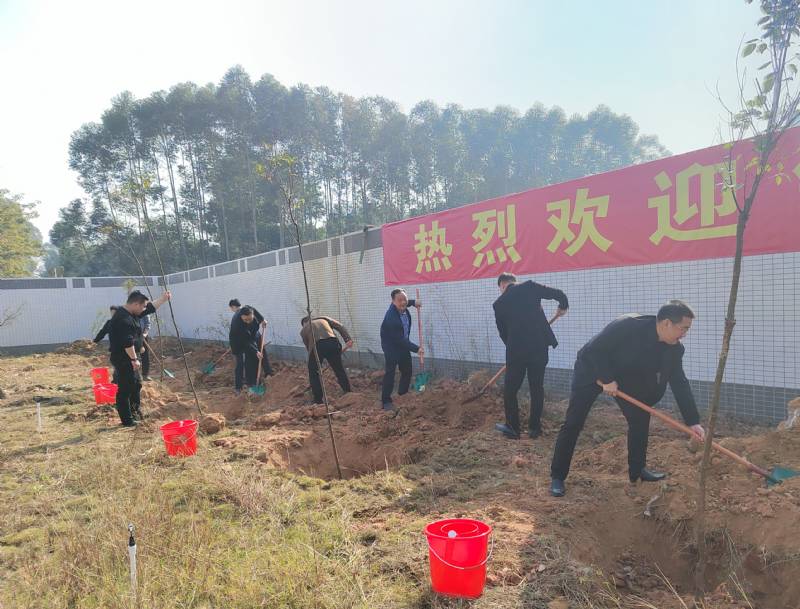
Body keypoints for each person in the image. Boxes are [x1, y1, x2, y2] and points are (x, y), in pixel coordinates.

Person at [549, 301, 707, 497]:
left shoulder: (673, 349)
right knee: (573, 422)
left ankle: (637, 471)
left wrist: (693, 421)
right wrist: (607, 379)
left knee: (640, 419)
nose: (685, 334)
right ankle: (558, 476)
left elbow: (679, 382)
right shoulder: (628, 325)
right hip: (592, 371)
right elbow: (594, 350)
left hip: (626, 379)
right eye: (683, 328)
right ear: (667, 323)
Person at [493, 273, 569, 440]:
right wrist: (562, 307)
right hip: (539, 349)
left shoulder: (498, 304)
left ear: (502, 285)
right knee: (536, 388)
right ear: (514, 282)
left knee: (510, 390)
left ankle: (513, 428)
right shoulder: (530, 286)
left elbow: (503, 333)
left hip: (516, 353)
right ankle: (534, 429)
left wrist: (514, 347)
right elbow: (559, 294)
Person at [107, 290, 171, 427]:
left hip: (129, 357)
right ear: (136, 304)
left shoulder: (131, 313)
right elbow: (127, 342)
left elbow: (149, 308)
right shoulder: (123, 319)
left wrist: (163, 299)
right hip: (124, 359)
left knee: (136, 384)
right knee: (125, 389)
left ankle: (136, 412)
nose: (143, 309)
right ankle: (127, 420)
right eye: (142, 306)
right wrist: (134, 359)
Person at [379, 289, 423, 411]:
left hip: (403, 345)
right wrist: (417, 349)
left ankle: (402, 394)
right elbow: (399, 339)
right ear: (393, 302)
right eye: (399, 300)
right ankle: (386, 401)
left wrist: (414, 302)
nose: (403, 302)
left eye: (405, 299)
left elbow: (405, 303)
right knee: (390, 373)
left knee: (407, 370)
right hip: (391, 347)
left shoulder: (402, 306)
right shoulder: (391, 317)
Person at [301, 315, 353, 404]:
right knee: (339, 368)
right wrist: (347, 339)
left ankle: (318, 400)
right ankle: (347, 391)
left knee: (313, 373)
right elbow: (340, 326)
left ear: (304, 323)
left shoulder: (303, 330)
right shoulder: (323, 318)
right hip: (333, 342)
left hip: (316, 346)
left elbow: (308, 347)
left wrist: (314, 364)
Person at [229, 305, 269, 394]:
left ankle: (254, 382)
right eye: (245, 320)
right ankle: (238, 387)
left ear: (252, 315)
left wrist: (262, 320)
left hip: (249, 337)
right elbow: (245, 341)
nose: (248, 321)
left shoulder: (250, 313)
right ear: (241, 316)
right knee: (240, 363)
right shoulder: (237, 324)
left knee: (254, 358)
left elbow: (253, 309)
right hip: (238, 342)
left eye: (250, 319)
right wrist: (255, 351)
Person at [93, 305, 120, 384]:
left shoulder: (123, 322)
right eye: (111, 313)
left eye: (114, 313)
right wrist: (95, 341)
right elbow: (102, 332)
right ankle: (116, 382)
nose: (113, 315)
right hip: (114, 348)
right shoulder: (109, 323)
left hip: (125, 347)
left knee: (122, 366)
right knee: (116, 365)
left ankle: (120, 381)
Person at [139, 312, 151, 381]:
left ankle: (145, 375)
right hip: (133, 336)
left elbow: (147, 324)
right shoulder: (131, 310)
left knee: (145, 355)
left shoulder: (145, 312)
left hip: (143, 335)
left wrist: (144, 334)